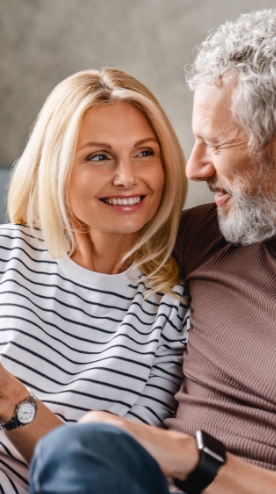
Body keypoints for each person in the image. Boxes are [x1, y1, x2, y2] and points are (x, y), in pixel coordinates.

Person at [29, 7, 276, 494]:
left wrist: (192, 458)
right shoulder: (209, 236)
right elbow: (82, 223)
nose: (193, 168)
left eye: (214, 143)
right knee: (80, 450)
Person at [0, 67, 190, 493]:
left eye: (144, 153)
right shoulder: (6, 252)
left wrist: (9, 396)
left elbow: (107, 473)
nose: (127, 177)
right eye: (99, 156)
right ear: (57, 168)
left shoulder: (170, 311)